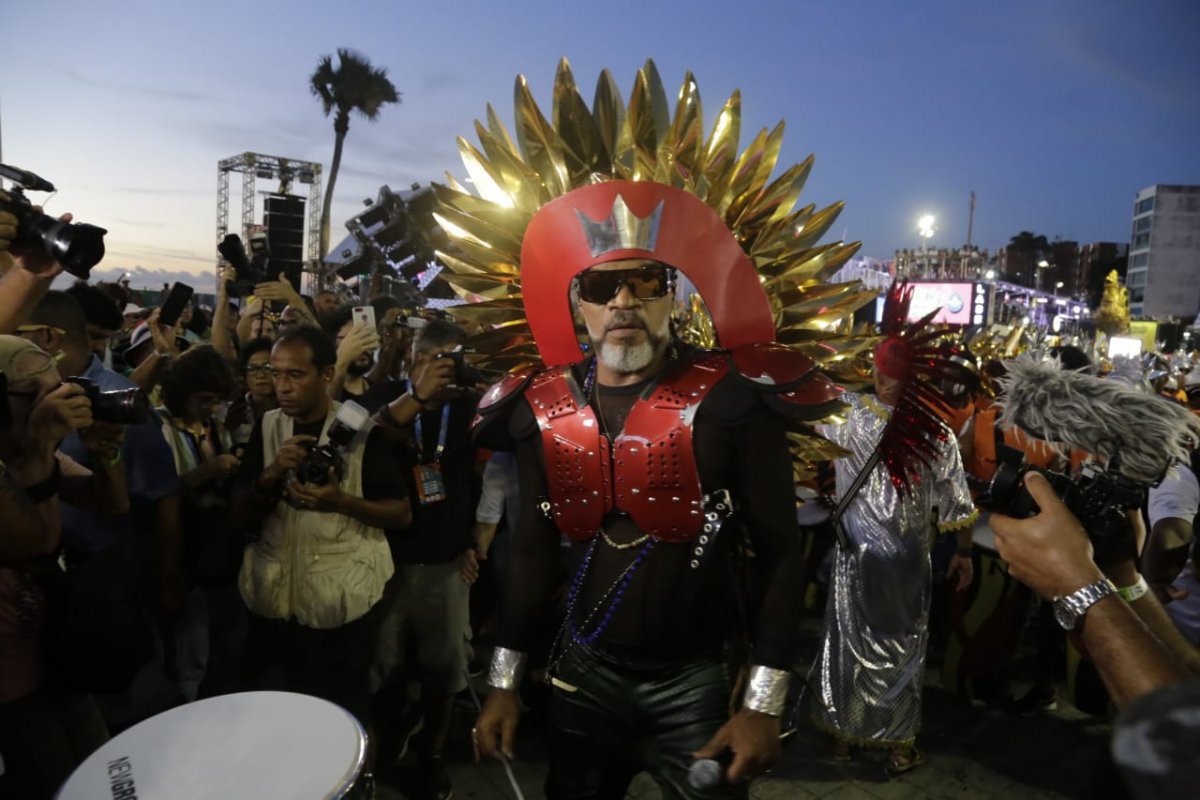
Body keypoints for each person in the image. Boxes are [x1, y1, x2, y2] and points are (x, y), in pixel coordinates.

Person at [810, 283, 976, 776]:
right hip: (906, 556)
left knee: (847, 639)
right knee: (902, 645)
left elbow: (797, 406)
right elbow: (958, 508)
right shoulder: (937, 430)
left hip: (855, 550)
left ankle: (842, 739)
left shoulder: (844, 414)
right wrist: (963, 553)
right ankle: (898, 743)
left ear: (876, 370)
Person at [231, 325, 410, 725]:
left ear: (327, 374)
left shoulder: (362, 433)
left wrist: (339, 501)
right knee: (272, 722)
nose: (282, 386)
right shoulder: (267, 427)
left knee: (340, 722)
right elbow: (240, 515)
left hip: (340, 617)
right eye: (275, 374)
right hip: (273, 608)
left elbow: (400, 514)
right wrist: (271, 473)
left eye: (295, 375)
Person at [369, 319, 482, 799]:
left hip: (447, 561)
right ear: (412, 359)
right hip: (384, 562)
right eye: (427, 358)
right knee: (381, 669)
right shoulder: (389, 396)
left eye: (448, 361)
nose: (438, 370)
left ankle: (432, 756)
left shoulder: (473, 405)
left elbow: (496, 483)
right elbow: (371, 436)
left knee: (445, 669)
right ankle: (383, 746)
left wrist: (479, 544)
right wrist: (415, 394)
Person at [156, 345, 244, 699]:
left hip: (216, 553)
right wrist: (205, 472)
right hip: (180, 552)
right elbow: (158, 496)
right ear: (181, 393)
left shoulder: (214, 426)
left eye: (216, 401)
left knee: (216, 644)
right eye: (203, 399)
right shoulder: (158, 427)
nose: (210, 407)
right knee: (188, 650)